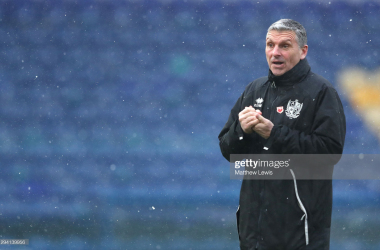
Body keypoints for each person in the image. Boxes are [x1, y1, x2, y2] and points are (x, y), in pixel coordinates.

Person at [218, 19, 346, 250]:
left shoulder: (322, 91)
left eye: (284, 46)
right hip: (254, 231)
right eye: (270, 45)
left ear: (303, 51)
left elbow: (330, 152)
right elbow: (228, 151)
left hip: (300, 232)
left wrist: (274, 133)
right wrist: (241, 131)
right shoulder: (254, 90)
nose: (275, 52)